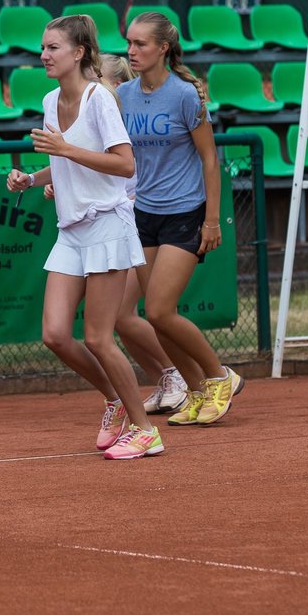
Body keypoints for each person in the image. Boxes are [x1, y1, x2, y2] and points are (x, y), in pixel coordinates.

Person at [7, 14, 164, 460]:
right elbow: (63, 164)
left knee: (98, 337)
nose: (44, 55)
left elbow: (125, 165)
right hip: (71, 231)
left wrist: (65, 150)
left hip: (107, 227)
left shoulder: (100, 99)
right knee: (56, 334)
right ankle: (114, 400)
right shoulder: (49, 98)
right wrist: (30, 179)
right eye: (42, 48)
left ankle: (145, 429)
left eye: (53, 48)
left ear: (78, 53)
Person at [115, 11, 243, 426]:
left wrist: (212, 220)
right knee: (152, 315)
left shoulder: (186, 94)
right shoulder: (126, 94)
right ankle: (197, 390)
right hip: (144, 213)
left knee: (160, 311)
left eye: (141, 44)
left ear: (163, 48)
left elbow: (210, 159)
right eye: (129, 43)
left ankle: (220, 376)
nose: (131, 51)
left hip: (185, 213)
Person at [74, 53, 190, 414]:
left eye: (96, 80)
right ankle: (174, 377)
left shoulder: (124, 120)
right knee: (125, 317)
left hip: (137, 223)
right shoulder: (106, 117)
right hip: (125, 224)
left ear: (113, 85)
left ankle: (189, 375)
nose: (88, 87)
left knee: (130, 314)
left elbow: (132, 173)